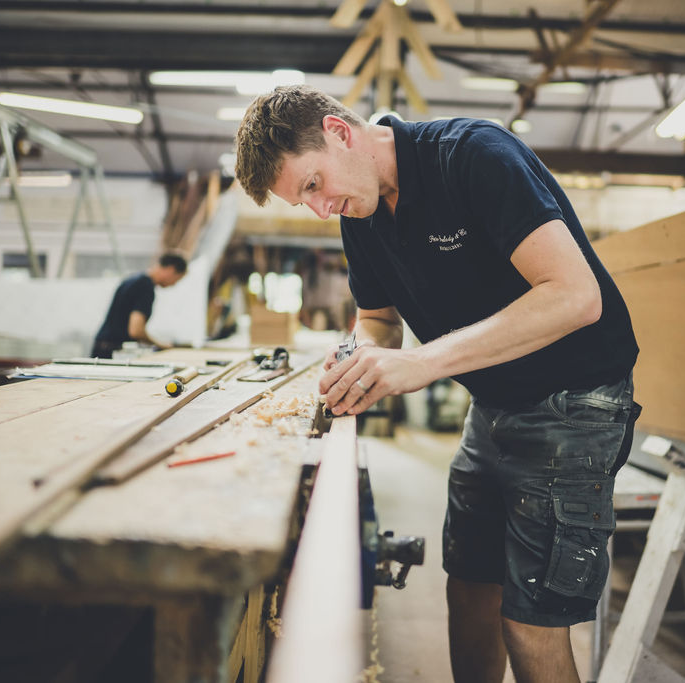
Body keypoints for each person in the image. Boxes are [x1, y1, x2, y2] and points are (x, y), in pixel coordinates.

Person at [235, 85, 641, 683]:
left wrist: (424, 364)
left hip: (574, 402)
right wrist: (359, 358)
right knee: (470, 590)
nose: (321, 210)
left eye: (314, 184)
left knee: (531, 624)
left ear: (339, 133)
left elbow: (577, 297)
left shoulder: (474, 157)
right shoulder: (360, 212)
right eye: (305, 202)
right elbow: (377, 322)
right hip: (495, 402)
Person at [91, 252, 187, 358]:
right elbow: (136, 331)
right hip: (112, 353)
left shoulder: (134, 279)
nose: (173, 284)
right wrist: (161, 344)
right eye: (177, 280)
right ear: (171, 269)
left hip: (102, 348)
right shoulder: (145, 286)